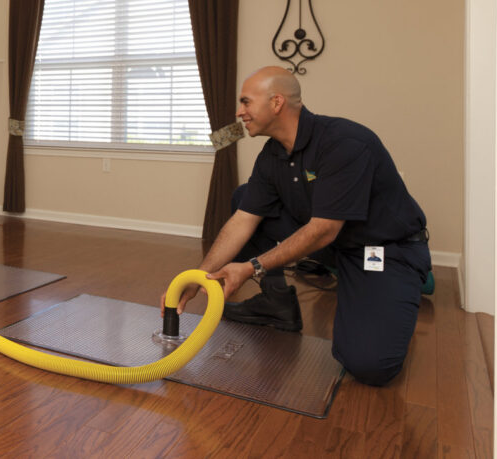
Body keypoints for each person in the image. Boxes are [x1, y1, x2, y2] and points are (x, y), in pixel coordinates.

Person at [177, 66, 431, 386]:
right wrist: (199, 276)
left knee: (369, 365)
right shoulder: (271, 156)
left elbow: (324, 229)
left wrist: (251, 267)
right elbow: (244, 220)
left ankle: (407, 283)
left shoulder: (344, 142)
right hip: (334, 248)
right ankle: (276, 304)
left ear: (277, 102)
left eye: (246, 102)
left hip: (381, 251)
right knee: (245, 198)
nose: (239, 112)